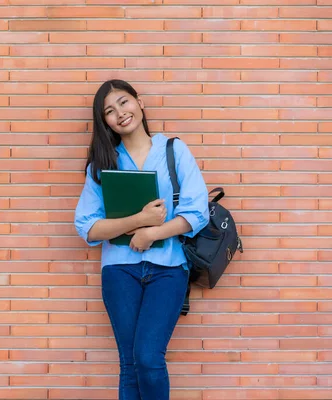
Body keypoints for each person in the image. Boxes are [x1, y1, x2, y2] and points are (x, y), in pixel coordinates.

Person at [74, 79, 209, 400]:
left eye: (123, 102)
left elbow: (197, 211)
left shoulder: (174, 150)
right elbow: (87, 227)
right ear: (104, 121)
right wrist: (139, 221)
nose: (119, 113)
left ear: (140, 103)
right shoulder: (103, 164)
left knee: (148, 358)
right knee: (129, 363)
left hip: (169, 270)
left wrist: (153, 233)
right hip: (120, 271)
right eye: (109, 111)